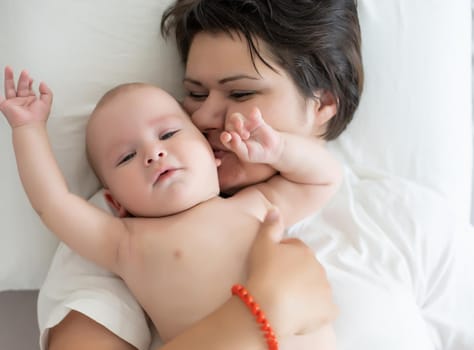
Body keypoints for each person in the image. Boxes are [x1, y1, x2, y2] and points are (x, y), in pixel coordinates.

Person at [35, 1, 471, 350]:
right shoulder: (128, 220)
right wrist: (256, 314)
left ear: (323, 103)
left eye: (241, 93)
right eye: (193, 93)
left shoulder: (407, 218)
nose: (203, 116)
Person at [1, 66, 342, 349]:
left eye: (168, 134)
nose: (153, 153)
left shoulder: (255, 205)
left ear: (211, 152)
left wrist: (279, 149)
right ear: (115, 202)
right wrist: (27, 129)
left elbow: (324, 178)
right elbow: (53, 203)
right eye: (126, 157)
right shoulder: (126, 242)